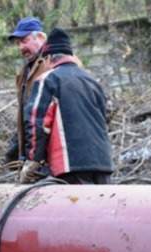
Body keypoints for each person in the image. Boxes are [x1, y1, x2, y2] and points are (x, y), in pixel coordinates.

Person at [19, 28, 113, 184]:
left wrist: (33, 161)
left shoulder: (48, 79)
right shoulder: (92, 81)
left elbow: (37, 122)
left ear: (48, 58)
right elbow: (105, 117)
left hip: (70, 165)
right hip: (103, 163)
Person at [5, 17, 49, 164]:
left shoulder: (52, 63)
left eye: (24, 41)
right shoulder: (24, 72)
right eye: (18, 43)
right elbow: (26, 114)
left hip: (48, 150)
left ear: (41, 37)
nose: (21, 47)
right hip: (32, 149)